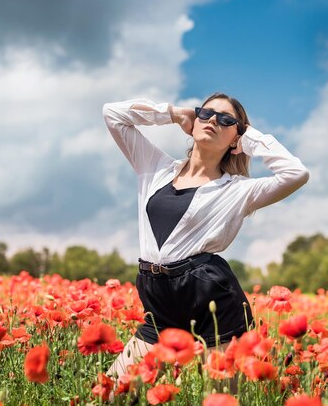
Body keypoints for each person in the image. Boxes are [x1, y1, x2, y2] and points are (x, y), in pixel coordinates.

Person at [102, 93, 309, 383]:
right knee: (113, 393)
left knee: (220, 397)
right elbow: (113, 113)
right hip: (158, 297)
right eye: (206, 112)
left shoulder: (238, 190)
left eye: (226, 120)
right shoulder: (156, 168)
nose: (213, 120)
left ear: (236, 138)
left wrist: (250, 139)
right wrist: (174, 113)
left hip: (209, 295)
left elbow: (296, 173)